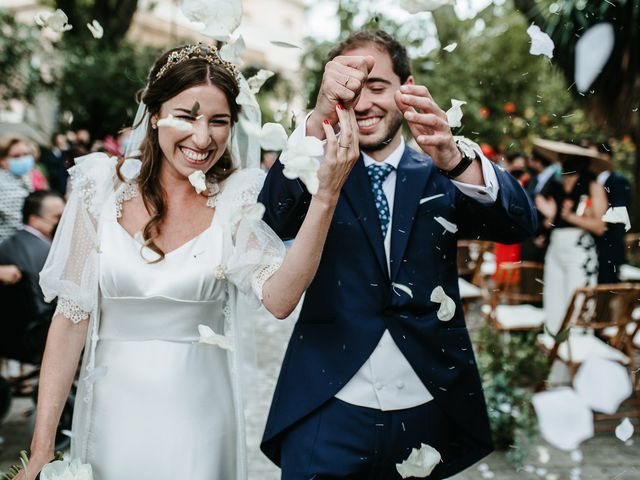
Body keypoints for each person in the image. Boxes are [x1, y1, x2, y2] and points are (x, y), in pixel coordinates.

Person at [18, 43, 359, 480]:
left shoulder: (238, 198)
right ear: (155, 112)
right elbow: (69, 321)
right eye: (186, 115)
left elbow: (280, 298)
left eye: (218, 121)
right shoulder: (99, 187)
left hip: (199, 421)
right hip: (109, 418)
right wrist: (42, 447)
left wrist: (326, 196)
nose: (203, 138)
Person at [259, 30, 537, 480]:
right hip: (326, 411)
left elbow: (520, 224)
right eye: (350, 89)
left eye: (377, 86)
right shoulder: (317, 171)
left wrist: (456, 158)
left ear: (405, 88)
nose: (364, 102)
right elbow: (269, 223)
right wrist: (316, 124)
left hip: (425, 408)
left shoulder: (441, 170)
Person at [533, 139, 608, 334]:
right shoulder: (554, 186)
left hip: (580, 251)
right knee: (553, 303)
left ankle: (578, 356)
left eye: (567, 158)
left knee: (578, 306)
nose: (562, 162)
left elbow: (600, 226)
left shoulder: (593, 187)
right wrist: (549, 217)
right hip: (555, 248)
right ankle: (555, 353)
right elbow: (548, 222)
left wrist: (571, 217)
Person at [0, 191, 64, 363]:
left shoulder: (10, 245)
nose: (63, 222)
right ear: (34, 220)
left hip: (17, 335)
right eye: (57, 217)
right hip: (39, 334)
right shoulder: (44, 252)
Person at [592, 142, 631, 283]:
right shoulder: (588, 181)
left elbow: (620, 211)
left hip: (609, 243)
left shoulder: (619, 181)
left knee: (607, 285)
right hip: (589, 244)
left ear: (606, 157)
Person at [0, 135, 35, 243]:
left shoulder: (23, 177)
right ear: (3, 161)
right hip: (8, 249)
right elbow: (18, 221)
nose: (23, 159)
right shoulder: (3, 184)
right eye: (16, 156)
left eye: (26, 154)